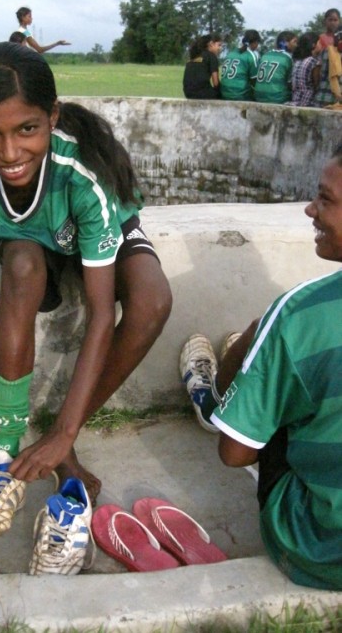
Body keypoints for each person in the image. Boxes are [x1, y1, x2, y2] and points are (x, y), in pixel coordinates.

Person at [0, 42, 172, 537]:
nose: (9, 153)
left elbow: (101, 313)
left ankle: (61, 441)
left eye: (27, 130)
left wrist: (64, 432)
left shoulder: (82, 174)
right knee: (21, 264)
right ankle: (5, 450)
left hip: (100, 227)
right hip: (34, 241)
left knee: (152, 301)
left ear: (51, 117)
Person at [179, 144, 342, 590]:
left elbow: (236, 456)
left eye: (326, 199)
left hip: (320, 550)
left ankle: (220, 399)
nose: (310, 209)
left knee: (269, 355)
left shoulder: (298, 313)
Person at [254, 31, 298, 104]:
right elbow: (290, 83)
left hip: (258, 96)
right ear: (286, 43)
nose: (296, 45)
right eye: (294, 42)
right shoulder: (288, 58)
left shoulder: (265, 55)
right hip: (277, 98)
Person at [220, 30, 261, 101]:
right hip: (239, 95)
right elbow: (254, 81)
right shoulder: (252, 55)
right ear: (255, 42)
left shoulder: (231, 53)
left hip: (224, 93)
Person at [182, 33, 223, 100]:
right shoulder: (212, 56)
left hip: (188, 93)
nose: (220, 48)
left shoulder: (195, 55)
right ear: (211, 44)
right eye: (219, 45)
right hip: (202, 94)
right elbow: (215, 82)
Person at [286, 32, 321, 107]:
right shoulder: (313, 61)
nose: (322, 45)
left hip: (295, 99)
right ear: (313, 45)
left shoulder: (298, 61)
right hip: (308, 100)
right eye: (319, 43)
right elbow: (316, 84)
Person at [313, 28, 342, 108]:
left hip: (321, 96)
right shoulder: (326, 51)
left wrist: (316, 86)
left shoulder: (326, 51)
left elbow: (316, 71)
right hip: (337, 100)